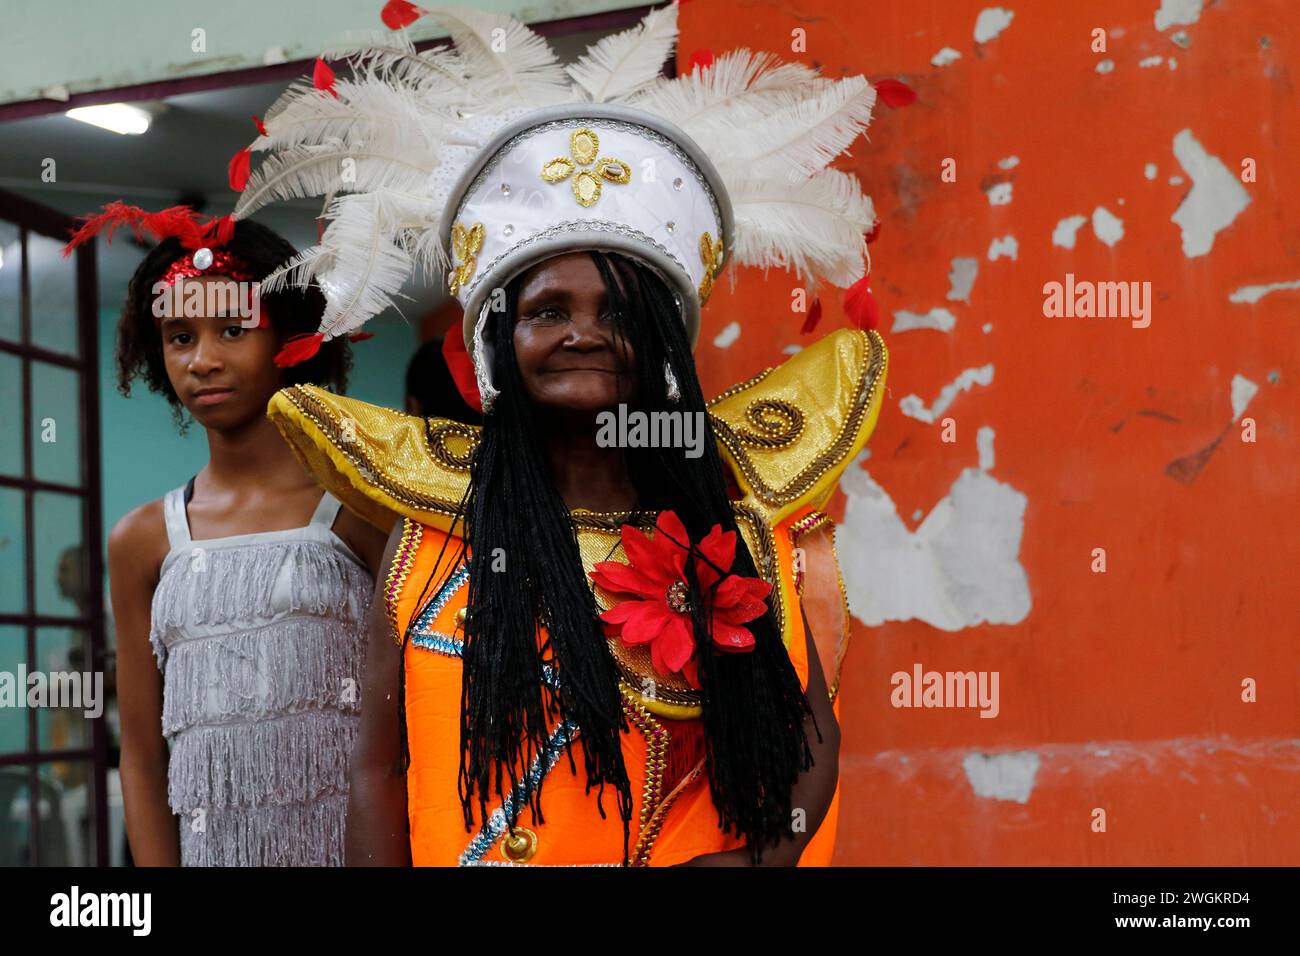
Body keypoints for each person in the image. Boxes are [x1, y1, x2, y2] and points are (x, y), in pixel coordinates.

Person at [245, 1, 889, 865]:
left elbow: (811, 732)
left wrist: (760, 861)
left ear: (661, 349)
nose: (582, 332)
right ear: (498, 344)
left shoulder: (740, 534)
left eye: (617, 312)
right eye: (548, 310)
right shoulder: (425, 539)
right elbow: (375, 769)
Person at [70, 210, 387, 865]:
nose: (203, 360)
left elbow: (409, 726)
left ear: (289, 341)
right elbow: (141, 753)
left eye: (234, 330)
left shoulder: (361, 510)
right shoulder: (142, 541)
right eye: (180, 336)